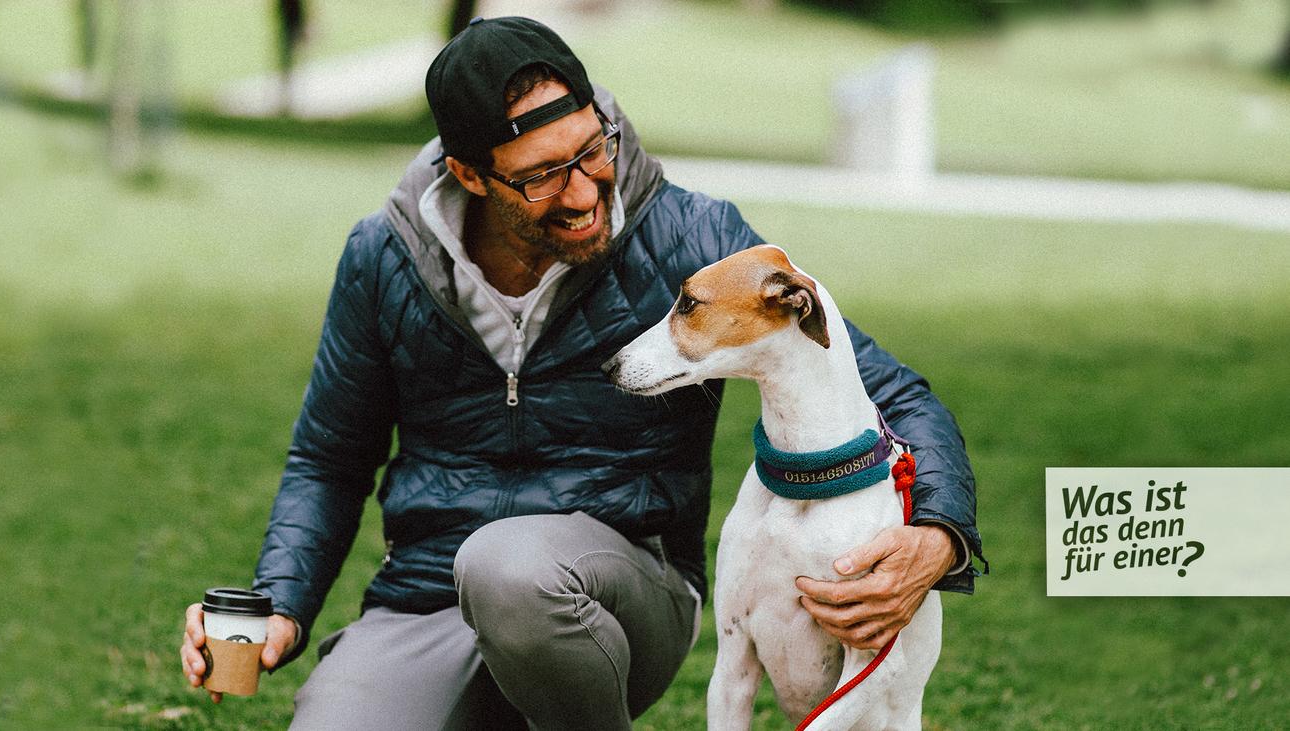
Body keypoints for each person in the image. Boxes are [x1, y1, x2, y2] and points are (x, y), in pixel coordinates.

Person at [179, 16, 986, 730]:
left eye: (592, 150)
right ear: (469, 174)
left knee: (509, 569)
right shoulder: (384, 258)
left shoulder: (690, 238)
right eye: (541, 175)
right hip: (426, 598)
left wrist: (938, 535)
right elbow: (330, 457)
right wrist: (280, 604)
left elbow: (894, 392)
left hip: (622, 593)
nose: (584, 190)